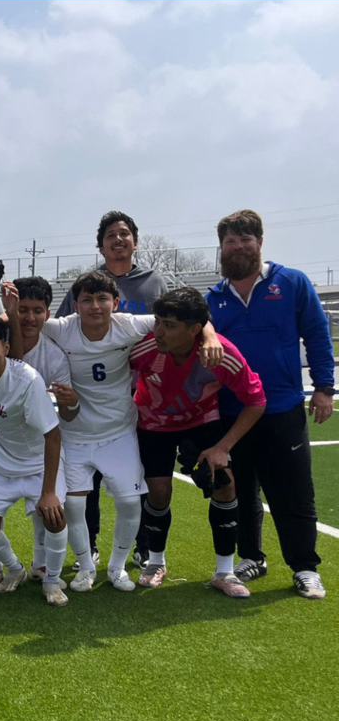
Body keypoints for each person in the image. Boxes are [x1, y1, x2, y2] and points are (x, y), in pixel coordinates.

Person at [36, 269, 221, 593]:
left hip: (119, 432)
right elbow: (21, 323)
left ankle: (117, 567)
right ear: (75, 305)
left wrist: (209, 336)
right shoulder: (62, 329)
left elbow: (188, 315)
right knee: (75, 506)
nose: (95, 306)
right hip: (76, 434)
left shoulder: (129, 324)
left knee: (130, 504)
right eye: (87, 299)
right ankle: (86, 567)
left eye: (102, 298)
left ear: (116, 302)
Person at [205, 209, 334, 599]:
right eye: (230, 241)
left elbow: (316, 333)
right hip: (234, 413)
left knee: (293, 491)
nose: (238, 247)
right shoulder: (213, 298)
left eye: (246, 240)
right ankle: (252, 557)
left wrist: (325, 387)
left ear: (260, 242)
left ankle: (305, 566)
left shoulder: (291, 282)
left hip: (282, 408)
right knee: (240, 490)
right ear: (222, 247)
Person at [130, 288, 266, 595]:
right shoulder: (142, 349)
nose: (159, 331)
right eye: (158, 322)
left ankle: (224, 572)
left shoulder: (221, 354)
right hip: (153, 424)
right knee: (159, 491)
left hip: (202, 422)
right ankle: (155, 561)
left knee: (225, 482)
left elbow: (256, 401)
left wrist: (222, 447)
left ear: (194, 330)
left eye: (169, 325)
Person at [54, 211, 171, 566]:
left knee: (134, 485)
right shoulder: (87, 287)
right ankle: (87, 548)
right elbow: (53, 332)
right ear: (101, 244)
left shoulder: (154, 282)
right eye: (110, 235)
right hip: (86, 405)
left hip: (142, 400)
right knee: (83, 489)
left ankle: (140, 549)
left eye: (124, 234)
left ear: (135, 241)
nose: (118, 240)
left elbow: (179, 320)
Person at [0, 317, 70, 606]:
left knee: (55, 517)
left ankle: (51, 581)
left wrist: (48, 493)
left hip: (37, 465)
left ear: (6, 347)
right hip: (1, 468)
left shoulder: (27, 381)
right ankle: (15, 569)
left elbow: (53, 435)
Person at [0, 277, 72, 589]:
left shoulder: (55, 356)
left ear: (48, 313)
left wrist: (71, 402)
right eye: (22, 309)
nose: (30, 317)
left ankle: (43, 566)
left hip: (38, 448)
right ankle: (2, 565)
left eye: (37, 310)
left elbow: (64, 418)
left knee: (48, 510)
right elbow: (10, 368)